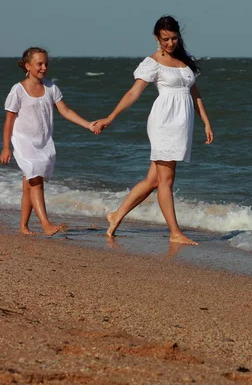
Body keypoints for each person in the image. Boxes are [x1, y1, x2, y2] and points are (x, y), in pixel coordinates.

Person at [93, 15, 213, 244]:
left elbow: (194, 94)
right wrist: (111, 116)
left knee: (153, 180)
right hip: (164, 123)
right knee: (166, 180)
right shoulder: (153, 62)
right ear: (157, 38)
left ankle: (116, 215)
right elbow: (133, 93)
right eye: (165, 39)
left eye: (174, 38)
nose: (170, 43)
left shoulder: (185, 62)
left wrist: (206, 121)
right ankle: (175, 233)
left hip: (183, 124)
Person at [0, 47, 96, 236]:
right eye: (39, 64)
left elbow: (65, 111)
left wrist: (88, 125)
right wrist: (5, 147)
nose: (44, 67)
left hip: (43, 142)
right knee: (36, 179)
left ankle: (23, 227)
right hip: (23, 142)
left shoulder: (51, 88)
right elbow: (9, 120)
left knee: (29, 182)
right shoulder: (17, 90)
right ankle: (45, 224)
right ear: (28, 66)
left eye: (46, 64)